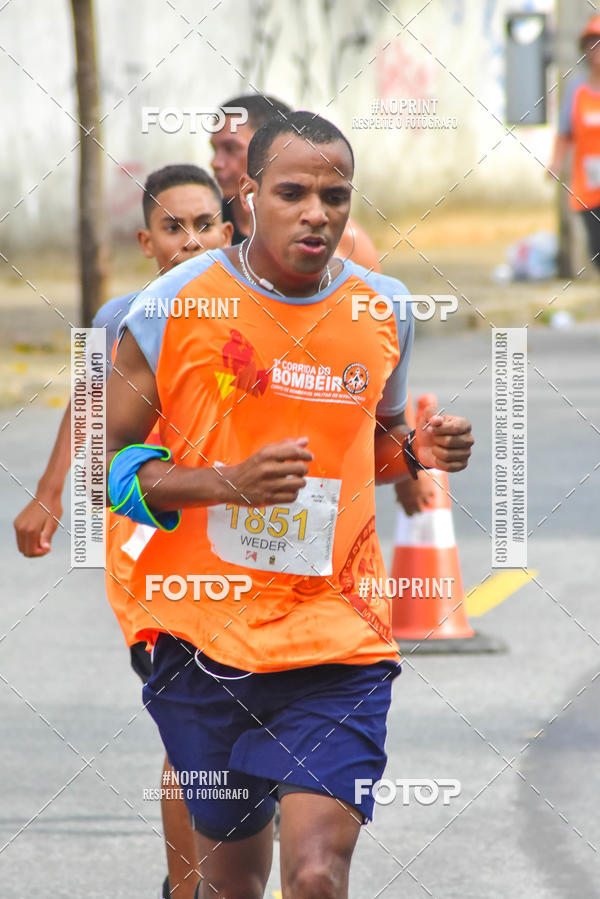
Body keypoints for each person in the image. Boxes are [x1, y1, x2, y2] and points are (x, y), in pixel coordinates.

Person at [106, 111, 473, 899]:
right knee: (232, 886)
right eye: (294, 192)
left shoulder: (384, 310)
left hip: (337, 637)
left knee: (314, 874)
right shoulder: (172, 306)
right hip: (204, 635)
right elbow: (115, 472)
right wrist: (224, 483)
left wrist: (417, 451)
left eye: (335, 195)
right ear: (248, 195)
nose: (318, 212)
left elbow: (374, 444)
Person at [14, 163, 233, 899]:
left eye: (204, 224)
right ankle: (189, 886)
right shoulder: (124, 316)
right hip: (159, 560)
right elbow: (89, 401)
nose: (190, 240)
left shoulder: (257, 307)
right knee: (191, 738)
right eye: (174, 226)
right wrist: (47, 496)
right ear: (147, 239)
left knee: (253, 735)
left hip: (252, 557)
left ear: (228, 231)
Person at [212, 93, 432, 515]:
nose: (218, 163)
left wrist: (407, 464)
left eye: (230, 149)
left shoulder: (347, 246)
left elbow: (376, 351)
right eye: (214, 150)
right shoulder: (208, 232)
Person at [548, 15, 600, 270]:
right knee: (596, 249)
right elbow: (564, 132)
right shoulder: (577, 90)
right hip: (589, 187)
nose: (597, 50)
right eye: (593, 44)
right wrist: (555, 163)